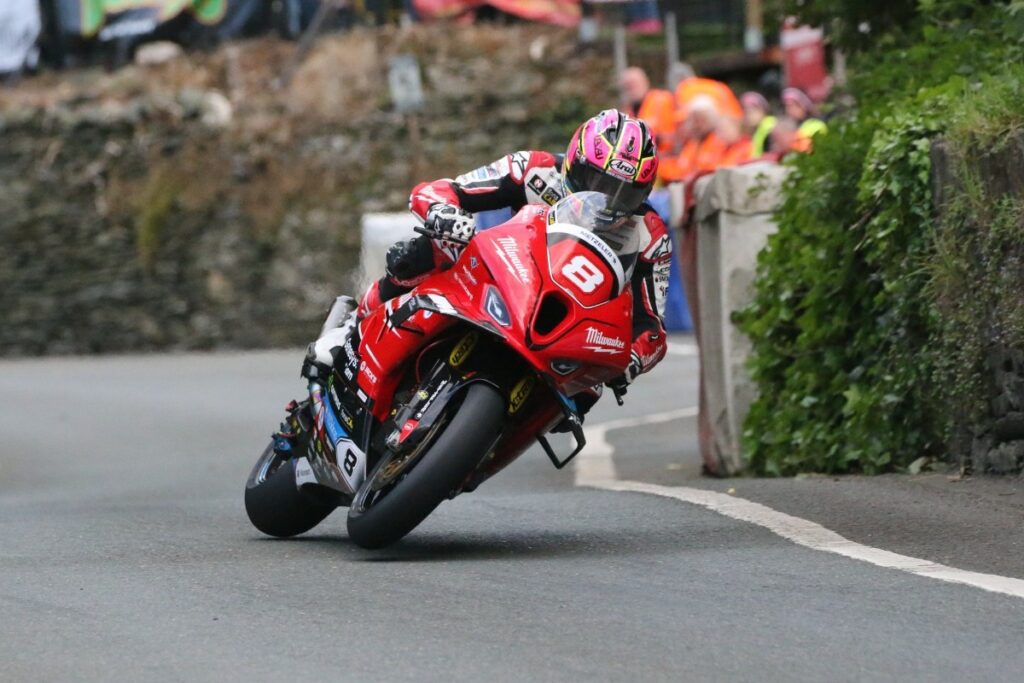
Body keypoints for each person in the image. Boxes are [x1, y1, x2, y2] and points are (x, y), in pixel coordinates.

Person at [304, 110, 673, 402]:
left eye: (624, 193)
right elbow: (441, 190)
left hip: (570, 324)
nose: (607, 199)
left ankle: (483, 445)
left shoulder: (650, 234)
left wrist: (634, 359)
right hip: (511, 276)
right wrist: (444, 213)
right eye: (597, 183)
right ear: (574, 162)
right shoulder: (535, 170)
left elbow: (652, 328)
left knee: (587, 392)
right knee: (434, 247)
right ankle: (350, 329)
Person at [620, 66, 676, 156]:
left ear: (645, 82)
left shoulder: (663, 100)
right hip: (645, 165)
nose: (631, 89)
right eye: (627, 86)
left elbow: (677, 135)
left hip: (669, 164)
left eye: (634, 84)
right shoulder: (627, 112)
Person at [741, 91, 777, 158]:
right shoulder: (757, 130)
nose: (748, 116)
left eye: (752, 112)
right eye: (746, 112)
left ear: (763, 111)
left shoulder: (769, 126)